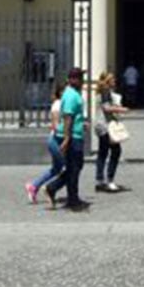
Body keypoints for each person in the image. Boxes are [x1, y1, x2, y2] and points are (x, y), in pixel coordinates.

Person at [47, 67, 90, 211]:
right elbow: (67, 117)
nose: (82, 80)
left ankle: (68, 195)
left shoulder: (72, 93)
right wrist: (67, 138)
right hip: (72, 137)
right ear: (73, 80)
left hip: (74, 134)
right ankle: (67, 195)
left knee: (74, 167)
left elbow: (72, 117)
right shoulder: (72, 95)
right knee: (75, 167)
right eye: (79, 77)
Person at [26, 81, 66, 206]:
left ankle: (34, 186)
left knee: (56, 169)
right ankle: (50, 189)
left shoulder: (61, 104)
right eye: (65, 91)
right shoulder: (58, 104)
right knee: (69, 168)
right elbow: (55, 125)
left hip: (55, 140)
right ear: (60, 92)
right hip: (56, 141)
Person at [93, 71, 129, 193]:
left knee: (102, 153)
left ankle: (99, 180)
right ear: (107, 81)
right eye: (112, 79)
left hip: (100, 125)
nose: (115, 81)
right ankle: (109, 180)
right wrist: (121, 109)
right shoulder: (105, 92)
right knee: (116, 151)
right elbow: (107, 108)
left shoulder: (101, 92)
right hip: (106, 126)